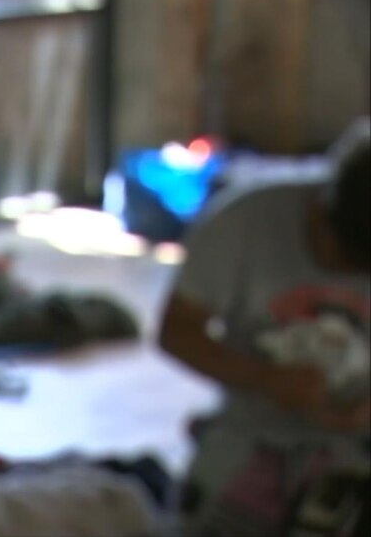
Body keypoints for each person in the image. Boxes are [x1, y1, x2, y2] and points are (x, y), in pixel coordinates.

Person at [159, 119, 370, 536]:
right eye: (343, 257)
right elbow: (175, 331)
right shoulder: (242, 221)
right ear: (320, 207)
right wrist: (264, 378)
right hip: (250, 435)